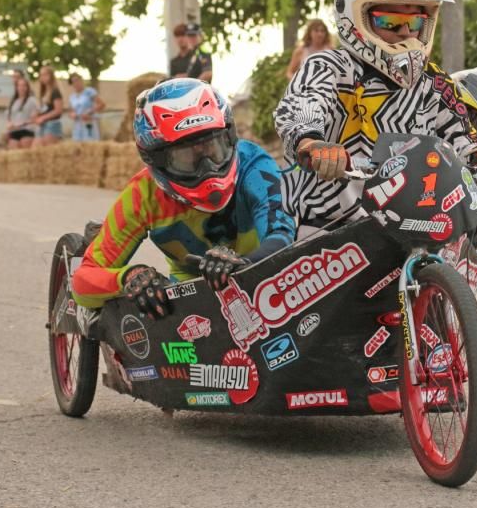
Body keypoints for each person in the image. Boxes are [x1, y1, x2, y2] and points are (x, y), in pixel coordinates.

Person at [274, 0, 477, 283]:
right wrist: (311, 141)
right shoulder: (328, 67)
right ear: (357, 18)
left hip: (406, 219)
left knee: (467, 266)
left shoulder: (432, 81)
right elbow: (304, 102)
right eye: (391, 22)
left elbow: (455, 125)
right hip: (328, 224)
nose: (404, 33)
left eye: (414, 22)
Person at [71, 78, 295, 329]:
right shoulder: (142, 195)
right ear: (156, 159)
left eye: (213, 148)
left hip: (258, 272)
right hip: (189, 290)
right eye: (188, 157)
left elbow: (283, 234)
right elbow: (81, 282)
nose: (207, 168)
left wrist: (244, 264)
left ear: (230, 136)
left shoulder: (254, 163)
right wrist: (129, 277)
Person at [33, 65, 64, 146]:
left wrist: (43, 117)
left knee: (48, 150)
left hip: (52, 124)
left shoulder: (55, 92)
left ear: (51, 76)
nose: (42, 77)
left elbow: (58, 110)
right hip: (42, 125)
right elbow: (43, 109)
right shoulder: (42, 93)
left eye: (45, 74)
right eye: (41, 75)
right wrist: (37, 115)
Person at [68, 73, 104, 142]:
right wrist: (72, 115)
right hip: (78, 125)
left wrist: (89, 112)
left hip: (88, 122)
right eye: (73, 82)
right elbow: (71, 111)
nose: (76, 83)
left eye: (77, 80)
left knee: (90, 143)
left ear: (81, 80)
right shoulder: (72, 97)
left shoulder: (89, 92)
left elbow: (101, 104)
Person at [6, 77, 39, 149]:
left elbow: (35, 117)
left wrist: (22, 123)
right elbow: (9, 117)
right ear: (16, 87)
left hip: (27, 130)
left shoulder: (32, 100)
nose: (22, 88)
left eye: (24, 85)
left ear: (27, 87)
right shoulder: (14, 101)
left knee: (25, 148)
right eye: (19, 85)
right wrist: (9, 124)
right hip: (14, 131)